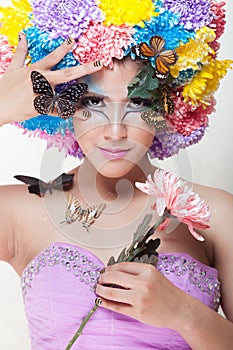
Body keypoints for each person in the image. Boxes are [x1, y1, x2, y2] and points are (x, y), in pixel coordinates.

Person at [0, 0, 233, 349]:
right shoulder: (18, 212)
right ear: (64, 106)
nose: (114, 131)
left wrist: (185, 313)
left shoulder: (216, 212)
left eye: (139, 103)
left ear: (169, 107)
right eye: (93, 103)